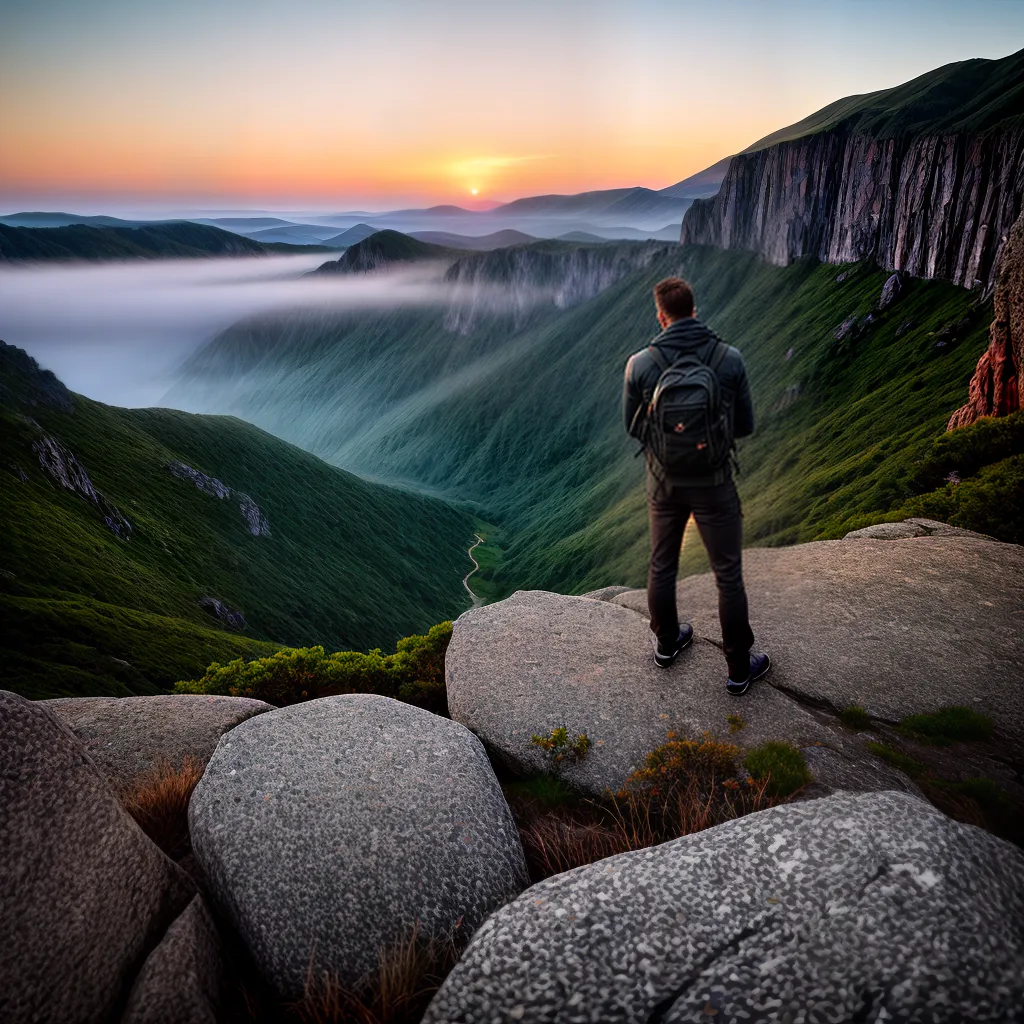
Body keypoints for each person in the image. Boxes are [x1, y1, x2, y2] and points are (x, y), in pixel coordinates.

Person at [622, 276, 770, 695]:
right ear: (694, 310)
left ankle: (667, 644)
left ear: (660, 315)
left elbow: (632, 428)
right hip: (715, 484)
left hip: (664, 484)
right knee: (728, 576)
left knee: (661, 565)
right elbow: (745, 425)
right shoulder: (729, 358)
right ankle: (739, 669)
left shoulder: (641, 364)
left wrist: (670, 446)